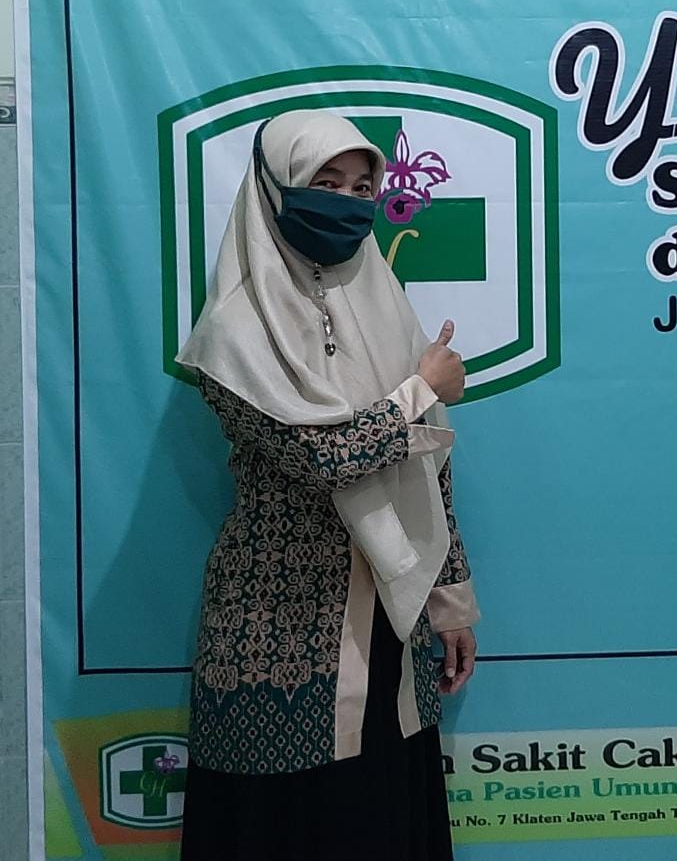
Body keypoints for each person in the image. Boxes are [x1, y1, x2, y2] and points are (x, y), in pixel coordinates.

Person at [175, 110, 479, 860]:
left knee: (381, 817)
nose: (345, 201)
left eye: (362, 187)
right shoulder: (231, 334)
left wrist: (450, 604)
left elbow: (428, 468)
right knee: (289, 826)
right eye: (325, 183)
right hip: (279, 632)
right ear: (276, 190)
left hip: (393, 617)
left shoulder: (384, 304)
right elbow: (320, 458)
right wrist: (418, 391)